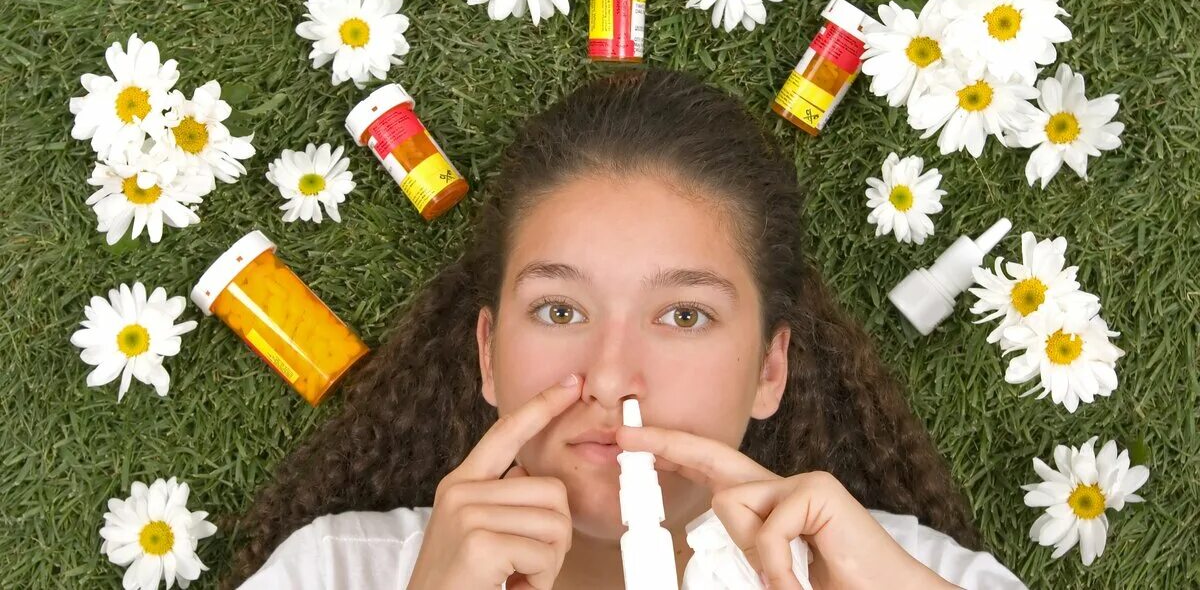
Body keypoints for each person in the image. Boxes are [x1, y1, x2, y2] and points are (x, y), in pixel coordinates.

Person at [227, 70, 1025, 589]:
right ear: (488, 356)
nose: (610, 378)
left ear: (769, 371)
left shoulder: (904, 573)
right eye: (560, 310)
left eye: (684, 316)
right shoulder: (335, 572)